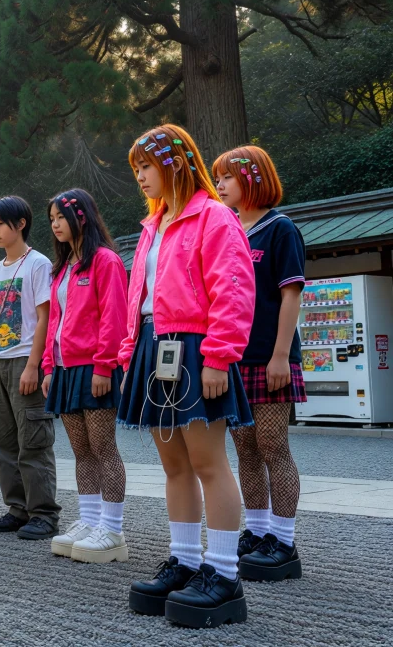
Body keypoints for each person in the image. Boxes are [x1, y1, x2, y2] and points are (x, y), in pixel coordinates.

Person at [118, 125, 255, 628]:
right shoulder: (155, 224)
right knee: (174, 463)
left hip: (197, 346)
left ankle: (223, 575)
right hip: (156, 347)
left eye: (145, 167)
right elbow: (141, 297)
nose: (140, 178)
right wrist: (130, 350)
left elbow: (235, 288)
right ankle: (185, 562)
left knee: (207, 461)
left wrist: (219, 355)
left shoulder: (214, 216)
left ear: (174, 162)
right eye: (136, 170)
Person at [213, 145, 306, 582]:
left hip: (271, 357)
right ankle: (258, 531)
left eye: (227, 177)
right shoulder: (227, 230)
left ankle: (285, 543)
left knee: (273, 447)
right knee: (245, 450)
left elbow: (291, 294)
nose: (220, 185)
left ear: (252, 177)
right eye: (217, 178)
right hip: (234, 357)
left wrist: (281, 356)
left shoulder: (280, 229)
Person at [39, 189, 130, 563]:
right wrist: (48, 365)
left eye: (60, 217)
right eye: (52, 219)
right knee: (81, 452)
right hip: (64, 369)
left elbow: (114, 316)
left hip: (95, 367)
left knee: (103, 447)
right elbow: (53, 323)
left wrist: (105, 365)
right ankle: (90, 520)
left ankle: (112, 529)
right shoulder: (62, 268)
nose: (56, 225)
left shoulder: (105, 261)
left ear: (81, 217)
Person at [0, 196, 60, 540]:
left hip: (25, 360)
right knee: (3, 440)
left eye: (0, 224)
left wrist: (34, 365)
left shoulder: (38, 264)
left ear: (21, 224)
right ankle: (17, 508)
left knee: (33, 439)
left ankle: (43, 513)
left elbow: (45, 316)